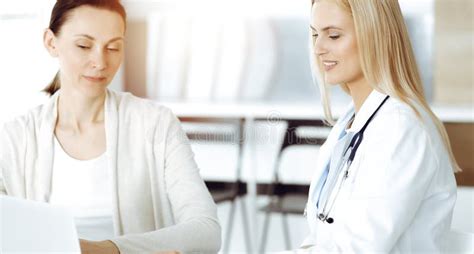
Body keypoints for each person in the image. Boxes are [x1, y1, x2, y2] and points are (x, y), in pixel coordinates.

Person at [0, 1, 221, 253]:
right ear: (51, 42)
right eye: (84, 46)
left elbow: (206, 231)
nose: (100, 62)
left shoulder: (156, 125)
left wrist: (101, 250)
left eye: (113, 47)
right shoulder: (16, 138)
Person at [301, 0, 459, 252]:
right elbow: (321, 236)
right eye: (314, 34)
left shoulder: (401, 127)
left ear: (374, 35)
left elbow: (358, 248)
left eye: (333, 35)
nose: (318, 48)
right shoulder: (350, 123)